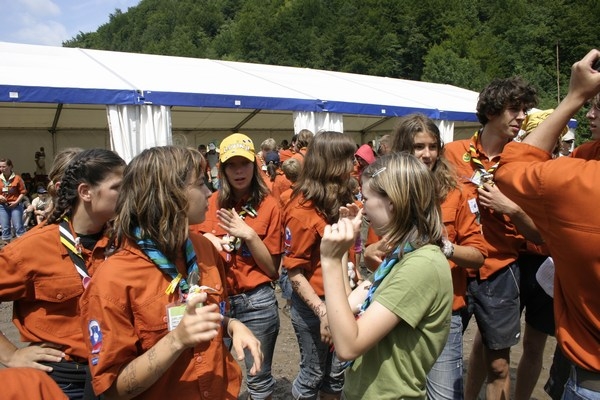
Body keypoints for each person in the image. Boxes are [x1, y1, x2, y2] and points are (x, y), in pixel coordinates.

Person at [80, 146, 262, 399]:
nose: (209, 193)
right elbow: (113, 389)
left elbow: (209, 315)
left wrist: (232, 324)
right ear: (168, 194)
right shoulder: (113, 279)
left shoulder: (204, 249)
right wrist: (176, 340)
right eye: (200, 184)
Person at [495, 49, 600, 400]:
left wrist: (575, 96)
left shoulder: (575, 179)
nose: (590, 114)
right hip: (517, 268)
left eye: (598, 107)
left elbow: (513, 169)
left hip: (590, 374)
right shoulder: (579, 165)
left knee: (534, 345)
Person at [319, 152, 453, 399]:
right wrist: (342, 250)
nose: (362, 208)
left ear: (391, 202)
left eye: (365, 198)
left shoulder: (421, 265)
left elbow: (348, 345)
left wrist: (329, 261)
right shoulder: (402, 255)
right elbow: (344, 309)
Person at [443, 76, 543, 400]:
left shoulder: (525, 163)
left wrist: (511, 208)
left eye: (525, 110)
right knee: (441, 357)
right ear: (491, 111)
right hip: (455, 268)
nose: (522, 116)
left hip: (499, 272)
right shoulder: (451, 154)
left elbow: (539, 234)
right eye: (515, 109)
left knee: (499, 365)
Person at [0, 148, 126, 399]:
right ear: (85, 192)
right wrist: (11, 355)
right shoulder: (32, 248)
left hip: (119, 376)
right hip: (65, 383)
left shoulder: (124, 241)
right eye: (118, 187)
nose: (127, 194)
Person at [382, 114, 487, 400]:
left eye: (432, 146)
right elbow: (371, 257)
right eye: (419, 147)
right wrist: (375, 252)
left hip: (443, 314)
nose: (427, 154)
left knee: (443, 396)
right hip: (395, 311)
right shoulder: (387, 192)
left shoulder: (458, 192)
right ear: (404, 148)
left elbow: (479, 255)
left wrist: (446, 247)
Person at [192, 133, 282, 400]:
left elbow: (272, 270)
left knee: (259, 379)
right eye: (231, 165)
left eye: (244, 163)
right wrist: (205, 241)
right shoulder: (207, 204)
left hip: (257, 302)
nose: (239, 171)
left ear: (254, 165)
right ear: (222, 168)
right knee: (211, 376)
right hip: (215, 302)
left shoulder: (269, 206)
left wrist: (250, 235)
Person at [282, 131, 357, 400]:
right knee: (313, 374)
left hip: (344, 299)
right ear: (329, 164)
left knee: (336, 374)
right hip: (316, 304)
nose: (354, 165)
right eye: (347, 159)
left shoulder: (342, 199)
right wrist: (323, 312)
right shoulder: (301, 212)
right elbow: (294, 272)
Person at [0, 159, 27, 243]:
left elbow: (23, 192)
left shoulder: (17, 178)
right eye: (0, 167)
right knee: (5, 227)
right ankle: (7, 246)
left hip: (16, 205)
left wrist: (16, 202)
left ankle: (21, 246)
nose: (1, 168)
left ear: (10, 166)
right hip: (3, 206)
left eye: (4, 166)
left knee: (18, 226)